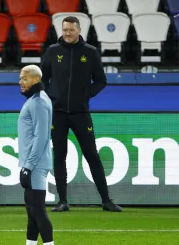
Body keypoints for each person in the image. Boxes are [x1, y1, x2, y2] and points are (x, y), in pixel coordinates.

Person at [41, 16, 122, 213]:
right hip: (58, 114)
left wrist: (86, 95)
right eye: (64, 30)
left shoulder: (90, 52)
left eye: (71, 30)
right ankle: (62, 201)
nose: (67, 33)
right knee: (59, 156)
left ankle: (106, 200)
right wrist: (50, 97)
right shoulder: (52, 51)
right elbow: (42, 78)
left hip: (81, 113)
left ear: (79, 30)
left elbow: (101, 81)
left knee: (92, 155)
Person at [16, 65, 60, 245]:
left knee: (39, 211)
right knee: (32, 213)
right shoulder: (35, 101)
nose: (20, 82)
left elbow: (41, 137)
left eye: (23, 78)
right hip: (32, 164)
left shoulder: (40, 102)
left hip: (35, 165)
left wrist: (28, 167)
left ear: (35, 79)